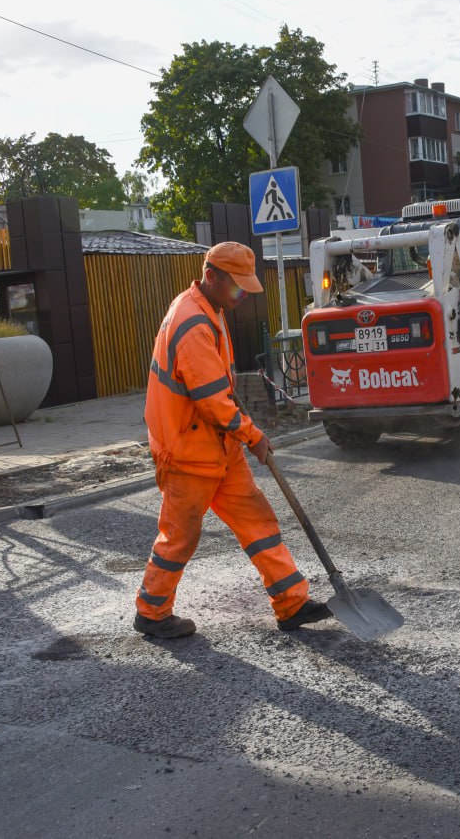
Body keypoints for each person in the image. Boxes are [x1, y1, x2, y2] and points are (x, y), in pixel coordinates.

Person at [134, 241, 333, 639]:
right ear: (212, 277)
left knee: (258, 521)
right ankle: (152, 612)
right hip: (188, 452)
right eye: (237, 288)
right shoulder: (191, 322)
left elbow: (216, 388)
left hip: (217, 448)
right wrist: (252, 434)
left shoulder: (210, 309)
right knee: (180, 537)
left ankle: (291, 602)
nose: (243, 296)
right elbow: (210, 400)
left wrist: (240, 434)